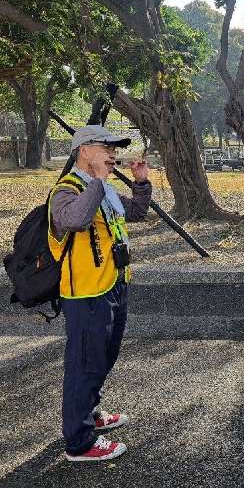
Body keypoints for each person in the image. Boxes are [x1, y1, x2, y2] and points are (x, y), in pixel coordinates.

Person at [48, 125, 152, 462]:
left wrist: (141, 182)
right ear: (83, 151)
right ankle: (79, 442)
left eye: (116, 148)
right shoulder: (65, 190)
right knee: (84, 363)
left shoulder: (102, 189)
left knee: (103, 357)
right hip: (86, 294)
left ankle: (89, 413)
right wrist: (98, 181)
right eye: (105, 147)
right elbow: (76, 220)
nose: (113, 154)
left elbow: (136, 212)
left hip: (113, 284)